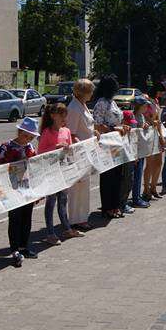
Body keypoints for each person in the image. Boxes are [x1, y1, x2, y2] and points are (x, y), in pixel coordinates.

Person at [0, 117, 40, 264]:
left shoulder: (30, 148)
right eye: (25, 135)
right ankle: (14, 248)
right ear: (19, 132)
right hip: (12, 189)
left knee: (27, 218)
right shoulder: (6, 146)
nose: (27, 139)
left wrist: (37, 189)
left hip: (26, 189)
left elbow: (35, 168)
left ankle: (24, 246)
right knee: (15, 219)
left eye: (31, 137)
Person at [37, 103, 84, 245]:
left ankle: (66, 228)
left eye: (65, 114)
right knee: (51, 202)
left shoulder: (66, 131)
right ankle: (50, 233)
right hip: (51, 172)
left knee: (63, 201)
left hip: (63, 171)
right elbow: (40, 153)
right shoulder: (46, 132)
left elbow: (70, 151)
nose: (64, 117)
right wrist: (55, 148)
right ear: (52, 116)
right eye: (61, 114)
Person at [92, 75, 133, 219]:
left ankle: (115, 206)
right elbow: (97, 125)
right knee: (107, 178)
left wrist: (123, 126)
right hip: (106, 146)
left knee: (117, 177)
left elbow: (117, 121)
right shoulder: (101, 103)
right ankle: (107, 208)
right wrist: (114, 129)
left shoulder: (112, 102)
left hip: (117, 145)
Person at [66, 79, 95, 229]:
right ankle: (75, 219)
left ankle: (82, 217)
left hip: (87, 151)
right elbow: (71, 133)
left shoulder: (82, 105)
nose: (92, 93)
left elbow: (87, 126)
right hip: (78, 152)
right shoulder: (74, 108)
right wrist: (80, 145)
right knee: (76, 188)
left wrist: (94, 133)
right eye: (90, 90)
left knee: (84, 186)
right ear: (84, 92)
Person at [141, 92, 165, 201]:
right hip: (147, 136)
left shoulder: (154, 103)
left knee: (159, 162)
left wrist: (161, 136)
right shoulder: (142, 108)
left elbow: (158, 121)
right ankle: (146, 190)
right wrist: (153, 122)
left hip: (156, 134)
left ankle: (153, 188)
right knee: (149, 164)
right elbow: (145, 121)